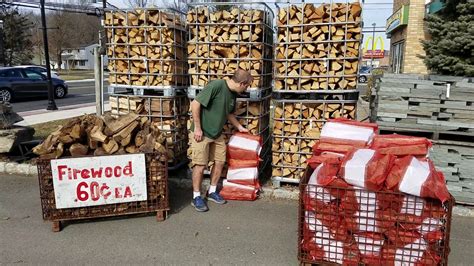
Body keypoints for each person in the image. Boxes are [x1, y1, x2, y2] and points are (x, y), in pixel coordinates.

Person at [189, 69, 253, 212]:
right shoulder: (216, 85)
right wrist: (198, 128)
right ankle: (196, 197)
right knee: (199, 165)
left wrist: (240, 127)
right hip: (202, 133)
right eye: (247, 86)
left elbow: (228, 113)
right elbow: (195, 104)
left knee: (219, 162)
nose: (247, 89)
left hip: (216, 134)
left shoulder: (233, 94)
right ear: (242, 83)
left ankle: (212, 191)